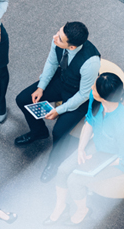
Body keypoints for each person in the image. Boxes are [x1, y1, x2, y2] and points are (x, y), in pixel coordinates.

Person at [44, 73, 124, 226]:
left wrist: (97, 162)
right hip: (99, 145)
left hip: (116, 159)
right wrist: (81, 149)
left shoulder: (121, 123)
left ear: (104, 97)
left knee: (75, 180)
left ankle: (83, 211)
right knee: (63, 169)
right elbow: (89, 122)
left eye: (94, 88)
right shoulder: (96, 101)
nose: (91, 88)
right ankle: (61, 206)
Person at [15, 22, 101, 183]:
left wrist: (59, 110)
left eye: (60, 38)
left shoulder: (91, 62)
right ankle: (38, 131)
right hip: (62, 81)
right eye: (58, 32)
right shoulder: (57, 41)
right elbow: (52, 63)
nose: (55, 37)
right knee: (23, 99)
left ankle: (54, 163)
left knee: (59, 131)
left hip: (78, 94)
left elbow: (84, 94)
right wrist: (41, 87)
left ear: (72, 47)